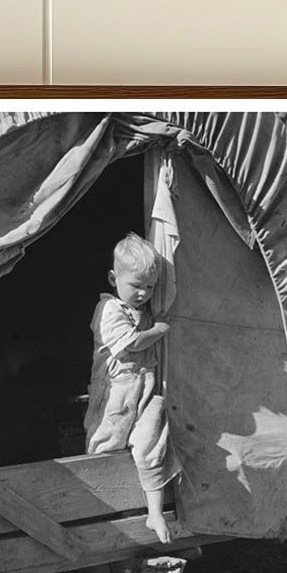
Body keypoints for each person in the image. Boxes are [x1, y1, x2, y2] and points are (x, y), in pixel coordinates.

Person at [84, 232, 181, 544]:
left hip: (146, 388)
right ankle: (96, 511)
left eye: (150, 287)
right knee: (106, 443)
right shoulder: (109, 310)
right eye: (136, 285)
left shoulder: (145, 309)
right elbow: (133, 343)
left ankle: (154, 513)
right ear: (114, 279)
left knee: (152, 440)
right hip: (116, 392)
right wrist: (159, 329)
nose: (143, 293)